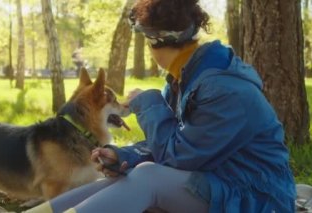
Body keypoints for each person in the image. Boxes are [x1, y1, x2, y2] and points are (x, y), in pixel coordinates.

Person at [26, 0, 296, 212]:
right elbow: (173, 144)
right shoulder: (188, 77)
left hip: (256, 198)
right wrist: (124, 156)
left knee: (148, 178)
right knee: (125, 175)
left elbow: (179, 156)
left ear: (156, 42)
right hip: (219, 180)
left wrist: (149, 103)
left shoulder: (223, 89)